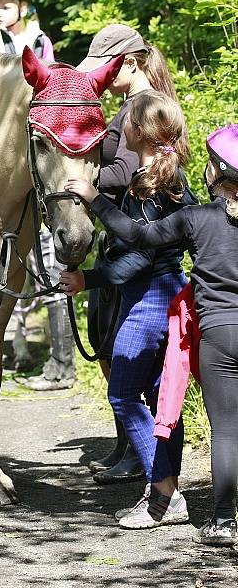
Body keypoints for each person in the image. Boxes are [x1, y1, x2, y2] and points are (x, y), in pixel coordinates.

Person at [65, 123, 238, 545]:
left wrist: (94, 200)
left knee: (228, 429)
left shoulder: (197, 219)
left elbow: (140, 236)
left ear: (215, 172)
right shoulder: (194, 207)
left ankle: (222, 520)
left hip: (219, 332)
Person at [60, 91, 197, 530]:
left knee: (122, 393)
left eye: (125, 122)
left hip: (149, 300)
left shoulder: (146, 184)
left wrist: (90, 277)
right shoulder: (171, 176)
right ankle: (167, 490)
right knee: (160, 401)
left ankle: (163, 496)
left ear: (136, 131)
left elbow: (140, 255)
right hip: (171, 293)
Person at [77, 23, 189, 484]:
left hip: (145, 280)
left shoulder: (141, 114)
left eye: (106, 67)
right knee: (148, 384)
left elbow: (123, 173)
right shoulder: (135, 109)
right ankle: (154, 470)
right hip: (146, 273)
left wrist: (85, 189)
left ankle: (159, 484)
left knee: (126, 385)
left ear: (128, 62)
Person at [21, 229, 75, 390]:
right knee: (54, 291)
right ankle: (60, 367)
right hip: (43, 227)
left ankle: (62, 371)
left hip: (48, 228)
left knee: (56, 291)